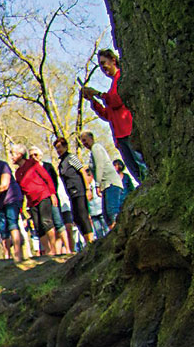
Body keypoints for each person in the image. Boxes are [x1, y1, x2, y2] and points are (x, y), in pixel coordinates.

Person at [82, 48, 148, 182]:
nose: (103, 67)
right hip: (119, 135)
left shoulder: (121, 79)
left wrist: (98, 94)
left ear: (113, 60)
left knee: (141, 165)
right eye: (100, 65)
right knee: (133, 168)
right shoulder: (112, 86)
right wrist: (93, 101)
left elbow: (116, 100)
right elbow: (108, 115)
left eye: (104, 63)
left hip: (128, 131)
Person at [11, 144, 57, 255]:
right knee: (37, 226)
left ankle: (54, 249)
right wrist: (21, 208)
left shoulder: (32, 164)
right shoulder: (17, 173)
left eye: (13, 154)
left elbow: (47, 178)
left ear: (20, 155)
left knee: (46, 221)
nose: (11, 157)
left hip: (43, 195)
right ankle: (47, 250)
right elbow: (20, 192)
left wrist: (52, 194)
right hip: (31, 202)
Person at [29, 146, 71, 254]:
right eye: (31, 156)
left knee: (58, 222)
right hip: (39, 201)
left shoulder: (47, 166)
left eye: (35, 155)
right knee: (46, 225)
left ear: (40, 156)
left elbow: (54, 181)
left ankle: (67, 248)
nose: (33, 157)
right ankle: (53, 250)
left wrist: (52, 194)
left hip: (51, 197)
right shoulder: (30, 170)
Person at [54, 137, 94, 245]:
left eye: (60, 147)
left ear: (65, 146)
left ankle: (91, 240)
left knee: (83, 215)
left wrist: (87, 189)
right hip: (71, 194)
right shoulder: (61, 162)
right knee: (76, 218)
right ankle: (86, 241)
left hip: (79, 190)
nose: (58, 150)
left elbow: (82, 171)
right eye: (56, 148)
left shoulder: (71, 157)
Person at [80, 131, 123, 230]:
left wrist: (97, 185)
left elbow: (100, 166)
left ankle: (119, 233)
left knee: (112, 212)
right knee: (106, 215)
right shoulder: (92, 152)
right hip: (106, 186)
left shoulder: (96, 148)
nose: (84, 143)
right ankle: (115, 234)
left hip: (111, 183)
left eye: (85, 140)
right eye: (82, 142)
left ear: (91, 138)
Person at [87, 175, 108, 239]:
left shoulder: (97, 185)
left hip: (101, 210)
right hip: (93, 213)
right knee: (99, 234)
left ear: (91, 176)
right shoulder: (86, 188)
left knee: (107, 230)